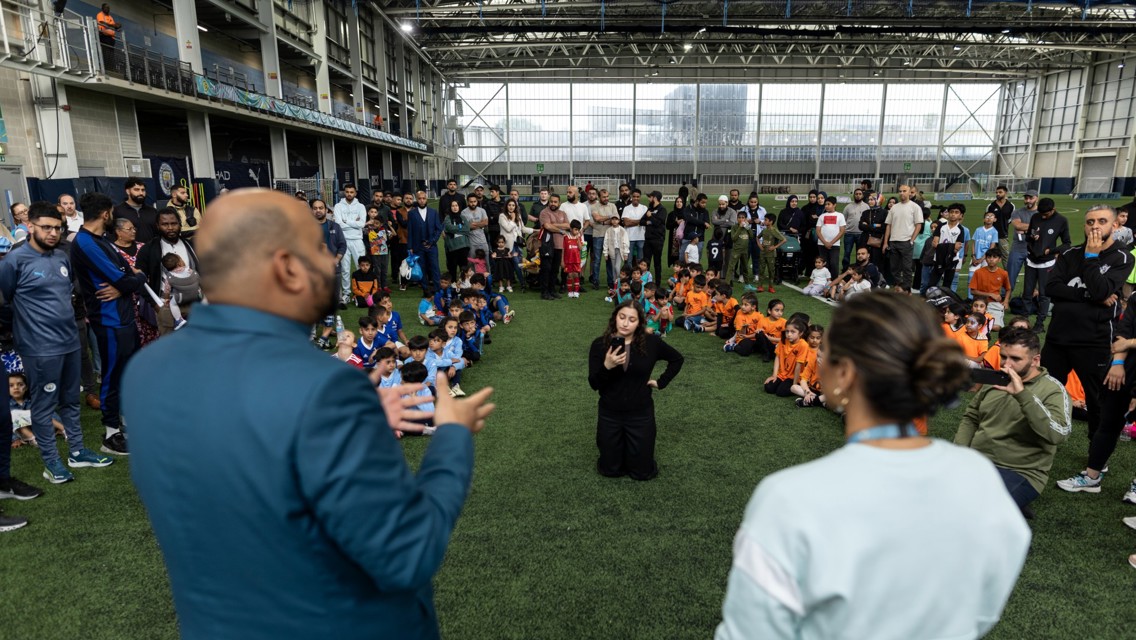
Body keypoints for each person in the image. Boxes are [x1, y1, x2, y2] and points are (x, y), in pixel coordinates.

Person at [122, 189, 496, 638]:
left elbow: (247, 448)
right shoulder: (325, 389)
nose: (332, 260)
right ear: (287, 267)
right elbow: (406, 554)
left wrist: (352, 418)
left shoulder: (146, 371)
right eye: (319, 248)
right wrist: (451, 437)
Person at [716, 292, 1030, 640]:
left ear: (844, 374)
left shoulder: (790, 498)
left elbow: (750, 631)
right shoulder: (979, 478)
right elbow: (983, 607)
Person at [0, 201, 115, 483]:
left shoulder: (62, 257)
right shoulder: (14, 260)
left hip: (70, 342)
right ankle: (51, 463)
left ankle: (77, 452)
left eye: (57, 228)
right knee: (44, 405)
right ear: (30, 226)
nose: (53, 233)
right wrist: (26, 329)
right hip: (39, 348)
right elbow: (4, 303)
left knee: (70, 401)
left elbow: (68, 293)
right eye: (46, 227)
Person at [955, 327, 1071, 515]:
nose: (1006, 364)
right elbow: (971, 417)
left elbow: (1059, 434)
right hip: (978, 461)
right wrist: (960, 453)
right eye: (1003, 357)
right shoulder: (997, 379)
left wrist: (1022, 395)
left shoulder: (1053, 390)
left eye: (1015, 359)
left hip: (1020, 471)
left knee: (975, 513)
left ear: (1035, 360)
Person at [72, 192, 149, 456]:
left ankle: (125, 422)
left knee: (126, 373)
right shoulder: (85, 243)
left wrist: (127, 283)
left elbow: (128, 273)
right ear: (106, 214)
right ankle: (110, 433)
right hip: (109, 320)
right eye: (112, 213)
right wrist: (132, 281)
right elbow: (128, 279)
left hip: (123, 316)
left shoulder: (101, 240)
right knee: (112, 375)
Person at [587, 300, 683, 481]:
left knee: (642, 472)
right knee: (610, 470)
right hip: (610, 412)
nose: (625, 323)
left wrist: (661, 382)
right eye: (622, 317)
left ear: (639, 323)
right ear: (614, 318)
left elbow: (677, 359)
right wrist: (607, 366)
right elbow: (594, 384)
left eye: (632, 320)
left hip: (640, 413)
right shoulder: (600, 345)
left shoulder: (651, 342)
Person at [110, 218, 159, 347]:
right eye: (129, 229)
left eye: (134, 228)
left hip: (147, 297)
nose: (133, 231)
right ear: (118, 232)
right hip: (128, 300)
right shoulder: (112, 251)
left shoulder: (143, 247)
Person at [883, 184, 923, 291]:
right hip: (893, 241)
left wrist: (912, 240)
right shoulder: (894, 207)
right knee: (894, 268)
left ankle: (907, 290)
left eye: (904, 191)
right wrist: (886, 242)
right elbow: (888, 225)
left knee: (907, 268)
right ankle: (900, 287)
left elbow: (918, 225)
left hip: (906, 241)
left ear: (910, 192)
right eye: (900, 191)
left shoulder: (915, 207)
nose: (902, 193)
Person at [333, 184, 367, 308]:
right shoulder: (338, 206)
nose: (349, 194)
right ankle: (346, 294)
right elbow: (338, 224)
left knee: (361, 267)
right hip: (343, 240)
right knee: (345, 269)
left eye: (351, 192)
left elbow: (362, 224)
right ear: (344, 192)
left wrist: (346, 221)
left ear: (355, 193)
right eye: (347, 192)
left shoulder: (361, 206)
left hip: (357, 240)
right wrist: (354, 223)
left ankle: (361, 292)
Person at [407, 190, 443, 294]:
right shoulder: (411, 214)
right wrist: (410, 247)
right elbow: (410, 231)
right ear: (416, 199)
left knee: (435, 268)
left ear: (426, 199)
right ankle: (425, 290)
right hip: (418, 246)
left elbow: (438, 229)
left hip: (432, 246)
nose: (422, 200)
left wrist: (432, 241)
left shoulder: (433, 212)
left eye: (423, 198)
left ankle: (438, 290)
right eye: (419, 198)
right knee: (421, 268)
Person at [538, 194, 570, 300]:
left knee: (555, 270)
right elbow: (547, 226)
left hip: (559, 245)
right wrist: (560, 230)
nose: (553, 203)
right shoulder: (544, 212)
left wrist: (553, 224)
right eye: (551, 201)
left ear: (559, 203)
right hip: (547, 245)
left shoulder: (562, 213)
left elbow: (568, 225)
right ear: (549, 202)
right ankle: (544, 292)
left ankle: (552, 290)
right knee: (546, 269)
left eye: (555, 202)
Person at [113, 177, 159, 243]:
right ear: (128, 191)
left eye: (143, 190)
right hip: (128, 248)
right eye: (136, 190)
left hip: (152, 248)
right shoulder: (117, 211)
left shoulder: (153, 211)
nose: (141, 193)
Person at [443, 199, 470, 282]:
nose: (455, 207)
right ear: (450, 207)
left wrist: (455, 230)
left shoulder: (463, 217)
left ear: (459, 207)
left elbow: (467, 229)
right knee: (452, 267)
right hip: (452, 247)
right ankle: (453, 283)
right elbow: (449, 228)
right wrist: (460, 228)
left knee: (463, 267)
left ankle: (463, 283)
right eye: (453, 206)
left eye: (456, 206)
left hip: (463, 246)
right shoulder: (447, 218)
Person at [95, 3, 123, 72]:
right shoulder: (100, 14)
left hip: (111, 38)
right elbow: (102, 23)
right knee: (105, 52)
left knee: (111, 54)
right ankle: (105, 67)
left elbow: (113, 26)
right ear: (102, 8)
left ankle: (111, 68)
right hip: (104, 36)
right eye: (106, 7)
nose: (108, 9)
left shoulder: (110, 17)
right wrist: (114, 25)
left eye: (109, 8)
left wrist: (117, 26)